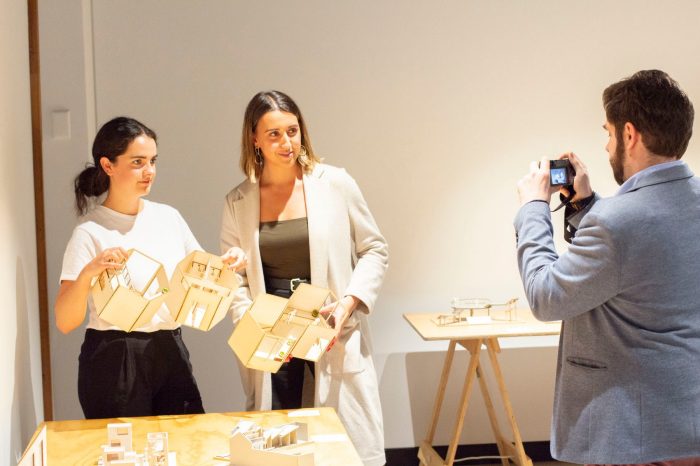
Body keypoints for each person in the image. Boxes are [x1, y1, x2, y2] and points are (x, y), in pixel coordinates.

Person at [514, 70, 700, 465]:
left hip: (633, 431)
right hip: (685, 419)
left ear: (629, 135)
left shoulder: (617, 222)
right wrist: (583, 206)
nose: (606, 145)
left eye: (609, 134)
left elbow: (546, 297)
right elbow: (640, 263)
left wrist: (533, 209)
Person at [221, 90, 388, 466]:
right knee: (278, 453)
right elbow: (238, 283)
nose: (287, 143)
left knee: (341, 449)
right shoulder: (238, 201)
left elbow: (375, 250)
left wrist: (348, 305)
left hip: (331, 330)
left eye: (292, 131)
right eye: (274, 134)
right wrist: (252, 325)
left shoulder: (335, 184)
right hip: (274, 341)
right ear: (255, 139)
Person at [55, 116, 246, 419]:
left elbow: (198, 278)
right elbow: (65, 321)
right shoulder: (90, 230)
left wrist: (227, 263)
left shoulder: (169, 217)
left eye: (153, 161)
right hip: (114, 355)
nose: (149, 172)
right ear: (108, 166)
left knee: (186, 445)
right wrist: (89, 273)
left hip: (169, 345)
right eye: (137, 162)